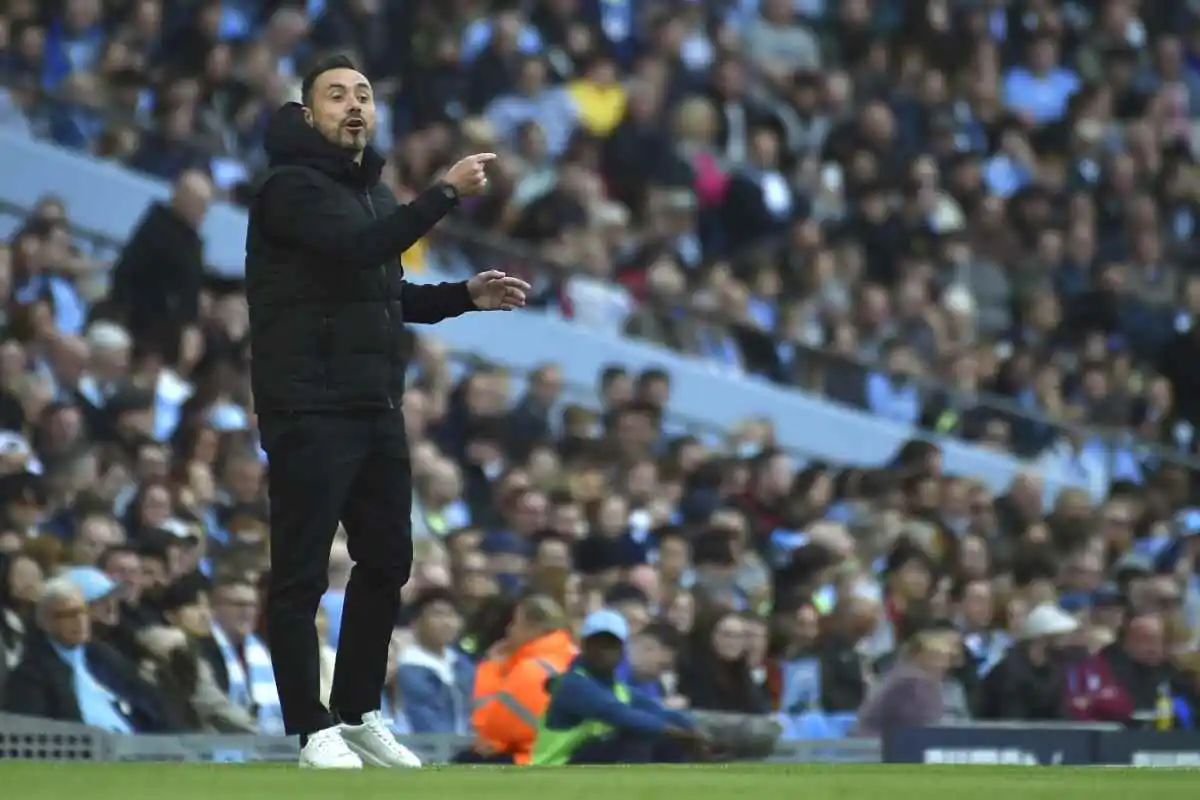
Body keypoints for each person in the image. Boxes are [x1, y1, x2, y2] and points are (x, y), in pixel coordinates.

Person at [244, 54, 531, 769]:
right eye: (336, 95)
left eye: (364, 95)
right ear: (307, 114)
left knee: (389, 560)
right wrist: (444, 192)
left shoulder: (370, 192)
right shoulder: (289, 188)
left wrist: (463, 296)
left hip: (374, 402)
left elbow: (386, 294)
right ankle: (311, 729)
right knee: (302, 574)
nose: (354, 105)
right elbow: (358, 250)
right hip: (308, 404)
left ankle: (356, 711)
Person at [531, 608, 708, 765]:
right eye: (597, 644)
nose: (603, 651)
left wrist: (690, 728)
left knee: (665, 739)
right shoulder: (573, 684)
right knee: (638, 733)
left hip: (579, 765)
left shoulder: (619, 689)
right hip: (554, 768)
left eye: (611, 645)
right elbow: (617, 714)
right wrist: (677, 733)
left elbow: (658, 711)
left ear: (622, 650)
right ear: (584, 646)